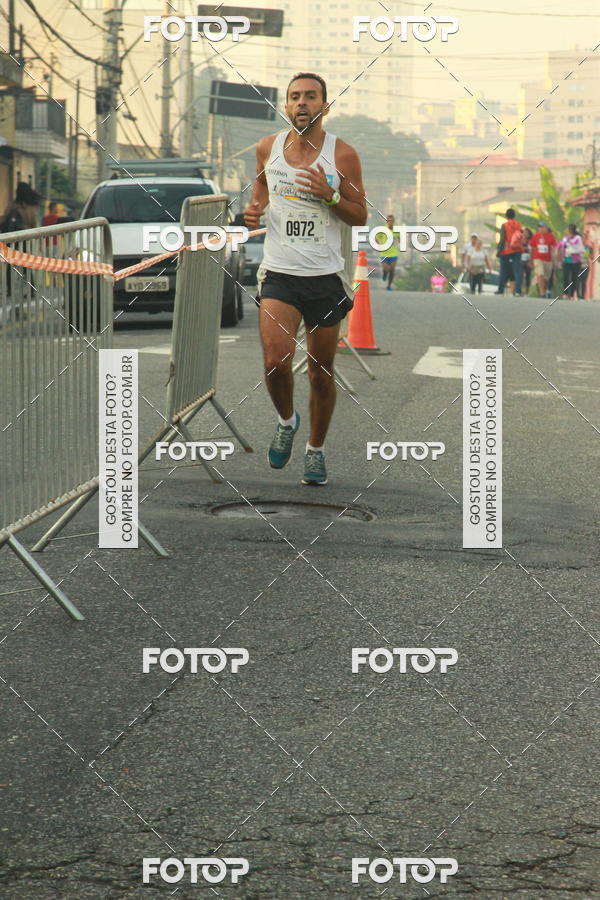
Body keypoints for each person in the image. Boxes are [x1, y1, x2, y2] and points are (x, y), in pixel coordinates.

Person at [244, 72, 367, 486]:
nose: (302, 103)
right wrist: (254, 210)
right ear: (286, 106)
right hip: (280, 273)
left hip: (325, 276)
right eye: (294, 97)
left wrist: (329, 195)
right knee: (276, 363)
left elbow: (360, 214)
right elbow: (260, 187)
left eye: (310, 97)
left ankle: (315, 450)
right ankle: (286, 419)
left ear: (325, 106)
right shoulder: (267, 149)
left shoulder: (343, 155)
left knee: (320, 371)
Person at [495, 208, 523, 296]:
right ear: (514, 215)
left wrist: (499, 251)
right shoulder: (519, 225)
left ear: (506, 216)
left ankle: (500, 290)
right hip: (517, 250)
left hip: (506, 251)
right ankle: (518, 291)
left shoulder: (505, 225)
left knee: (503, 270)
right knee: (517, 271)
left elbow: (502, 239)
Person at [529, 221, 558, 298]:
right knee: (540, 274)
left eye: (542, 227)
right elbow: (532, 248)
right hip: (538, 259)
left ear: (546, 228)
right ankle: (542, 293)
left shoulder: (551, 236)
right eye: (539, 227)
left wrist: (555, 259)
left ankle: (543, 290)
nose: (541, 229)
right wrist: (531, 260)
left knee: (546, 278)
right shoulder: (535, 236)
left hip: (548, 260)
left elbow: (555, 247)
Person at [559, 224, 586, 300]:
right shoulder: (565, 238)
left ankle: (571, 295)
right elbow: (560, 246)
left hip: (576, 261)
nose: (568, 230)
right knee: (565, 277)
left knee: (574, 278)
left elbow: (580, 248)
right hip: (567, 260)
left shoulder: (578, 238)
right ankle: (565, 293)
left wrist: (572, 249)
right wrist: (560, 255)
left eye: (570, 229)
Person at [377, 214, 398, 290]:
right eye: (389, 221)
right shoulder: (383, 229)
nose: (390, 222)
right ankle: (385, 273)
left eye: (392, 221)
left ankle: (389, 286)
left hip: (394, 253)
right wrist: (379, 245)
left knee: (392, 270)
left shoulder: (396, 230)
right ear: (387, 221)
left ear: (394, 221)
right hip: (384, 253)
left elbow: (400, 238)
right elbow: (376, 237)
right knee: (386, 269)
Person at [520, 227, 533, 294]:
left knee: (528, 276)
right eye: (524, 232)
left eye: (526, 233)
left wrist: (530, 261)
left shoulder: (531, 242)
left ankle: (527, 292)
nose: (525, 234)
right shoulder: (519, 241)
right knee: (520, 276)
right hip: (520, 260)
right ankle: (519, 290)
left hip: (528, 261)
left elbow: (532, 251)